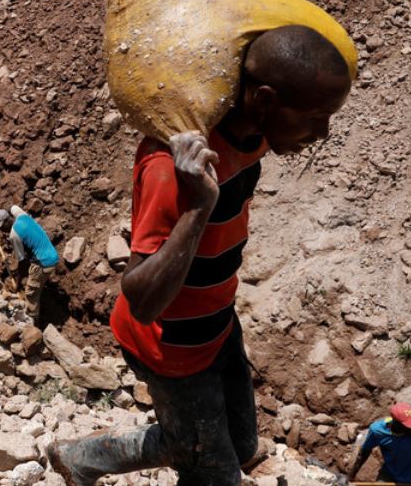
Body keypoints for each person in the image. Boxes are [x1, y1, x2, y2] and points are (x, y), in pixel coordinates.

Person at [48, 25, 354, 486]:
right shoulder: (172, 173)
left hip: (218, 326)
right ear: (266, 100)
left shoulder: (256, 135)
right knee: (214, 473)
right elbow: (143, 299)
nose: (324, 133)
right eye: (314, 117)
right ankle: (114, 453)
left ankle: (84, 457)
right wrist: (198, 207)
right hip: (170, 348)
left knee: (238, 445)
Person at [347, 403, 411, 484]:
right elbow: (364, 452)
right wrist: (350, 476)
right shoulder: (377, 431)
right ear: (396, 423)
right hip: (389, 476)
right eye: (408, 425)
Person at [0, 206, 59, 320]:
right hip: (52, 254)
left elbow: (21, 261)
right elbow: (12, 207)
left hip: (43, 263)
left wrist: (18, 280)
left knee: (31, 294)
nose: (1, 231)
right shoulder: (21, 215)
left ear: (7, 221)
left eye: (1, 227)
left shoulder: (14, 235)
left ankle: (32, 321)